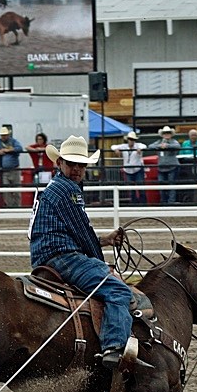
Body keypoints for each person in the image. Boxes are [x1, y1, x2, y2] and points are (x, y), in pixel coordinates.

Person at [28, 135, 132, 370]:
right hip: (63, 257)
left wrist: (104, 241)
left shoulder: (54, 188)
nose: (76, 169)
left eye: (80, 164)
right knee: (117, 290)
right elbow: (82, 233)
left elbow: (71, 231)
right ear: (60, 163)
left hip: (48, 255)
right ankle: (114, 347)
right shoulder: (68, 190)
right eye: (71, 163)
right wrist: (100, 261)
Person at [0, 125, 24, 207]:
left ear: (8, 135)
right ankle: (10, 205)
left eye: (5, 135)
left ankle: (17, 205)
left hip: (15, 169)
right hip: (4, 170)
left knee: (17, 189)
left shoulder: (13, 141)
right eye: (2, 135)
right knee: (6, 190)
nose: (3, 137)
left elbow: (20, 148)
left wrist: (9, 150)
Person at [110, 131, 146, 205]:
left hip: (137, 169)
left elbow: (144, 146)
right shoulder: (124, 146)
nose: (131, 141)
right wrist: (116, 149)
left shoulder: (138, 145)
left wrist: (140, 149)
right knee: (131, 189)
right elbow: (113, 146)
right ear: (128, 140)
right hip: (128, 171)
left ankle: (143, 204)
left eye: (132, 139)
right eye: (130, 139)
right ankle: (134, 204)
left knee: (140, 187)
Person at [148, 126, 181, 204]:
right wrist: (160, 146)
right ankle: (163, 201)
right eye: (165, 133)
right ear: (162, 134)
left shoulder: (174, 141)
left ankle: (171, 202)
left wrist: (167, 146)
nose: (166, 134)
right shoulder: (159, 142)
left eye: (168, 133)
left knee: (171, 184)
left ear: (171, 134)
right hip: (161, 167)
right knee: (161, 185)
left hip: (172, 166)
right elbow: (150, 146)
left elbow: (178, 146)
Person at [178, 129, 197, 201]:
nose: (193, 137)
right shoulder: (185, 144)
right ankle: (189, 198)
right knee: (188, 182)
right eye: (192, 135)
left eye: (195, 135)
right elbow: (181, 154)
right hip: (187, 166)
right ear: (189, 136)